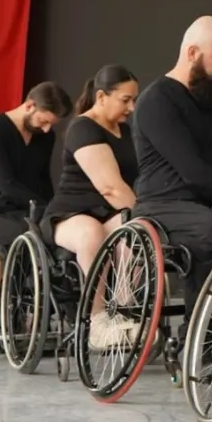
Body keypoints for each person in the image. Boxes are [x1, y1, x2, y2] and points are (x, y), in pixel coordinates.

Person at [131, 15, 212, 323]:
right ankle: (200, 331)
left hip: (204, 203)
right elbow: (194, 173)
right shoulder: (156, 100)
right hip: (161, 204)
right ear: (192, 53)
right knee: (208, 228)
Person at [43, 64, 140, 347]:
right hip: (70, 212)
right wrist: (144, 211)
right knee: (91, 232)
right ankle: (97, 321)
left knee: (136, 231)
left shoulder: (125, 130)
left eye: (134, 100)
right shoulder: (83, 128)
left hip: (108, 212)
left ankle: (124, 310)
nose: (131, 108)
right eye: (125, 100)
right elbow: (110, 188)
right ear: (101, 97)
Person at [0, 82, 72, 288]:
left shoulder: (45, 137)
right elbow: (6, 183)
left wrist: (53, 210)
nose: (46, 129)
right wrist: (42, 207)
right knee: (36, 232)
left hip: (27, 211)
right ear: (30, 106)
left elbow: (43, 178)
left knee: (62, 229)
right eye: (43, 121)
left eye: (51, 124)